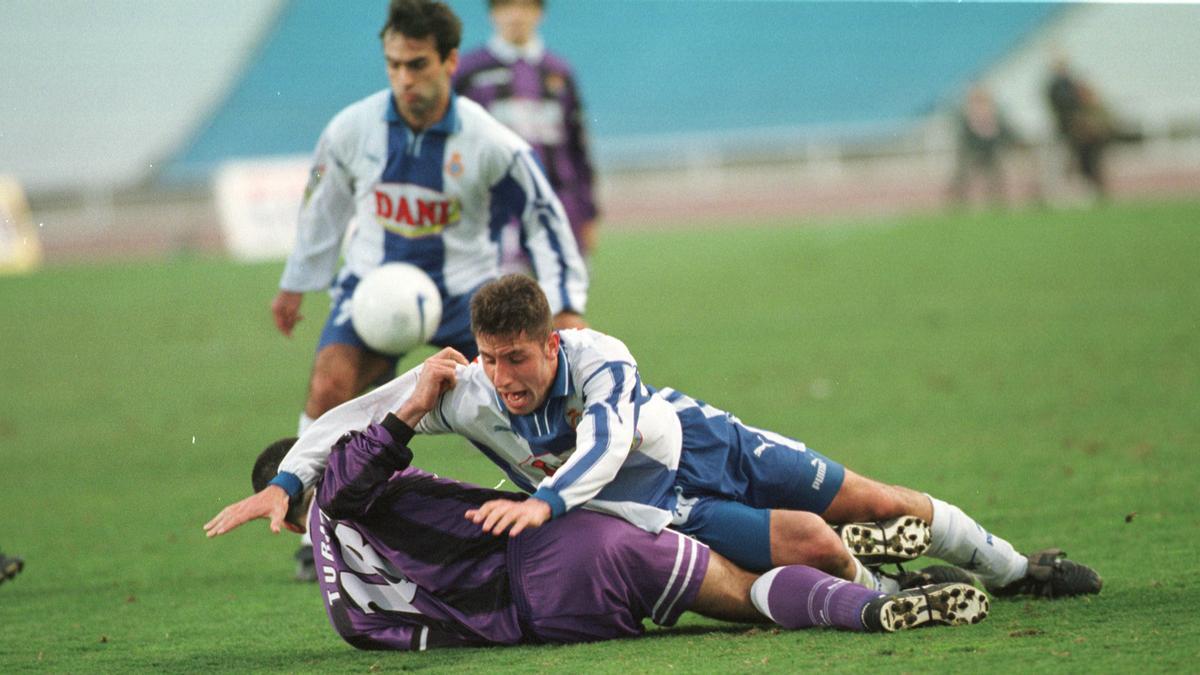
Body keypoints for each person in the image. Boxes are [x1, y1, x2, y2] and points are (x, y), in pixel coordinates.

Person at [217, 275, 1102, 599]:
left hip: (707, 444)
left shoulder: (601, 356)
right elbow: (350, 419)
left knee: (869, 495)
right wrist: (287, 485)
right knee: (815, 546)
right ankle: (891, 583)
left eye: (518, 356)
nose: (505, 375)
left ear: (551, 342)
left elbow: (602, 442)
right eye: (491, 358)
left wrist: (547, 501)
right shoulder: (466, 389)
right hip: (660, 509)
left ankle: (1020, 570)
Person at [272, 0, 588, 579]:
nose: (403, 79)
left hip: (462, 297)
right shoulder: (352, 129)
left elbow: (545, 215)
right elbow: (323, 206)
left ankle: (569, 498)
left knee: (512, 399)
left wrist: (567, 302)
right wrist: (297, 283)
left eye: (416, 65)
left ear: (448, 62)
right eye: (393, 65)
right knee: (330, 387)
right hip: (371, 289)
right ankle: (314, 528)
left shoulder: (491, 142)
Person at [205, 432, 988, 650]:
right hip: (558, 548)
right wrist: (406, 412)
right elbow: (349, 481)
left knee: (748, 608)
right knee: (748, 580)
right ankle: (873, 595)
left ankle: (870, 598)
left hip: (542, 622)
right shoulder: (355, 480)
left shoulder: (345, 614)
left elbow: (418, 633)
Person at [453, 0, 600, 268]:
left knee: (563, 303)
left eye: (525, 6)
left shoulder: (560, 72)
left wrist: (588, 213)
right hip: (494, 211)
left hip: (559, 205)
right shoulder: (468, 72)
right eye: (507, 6)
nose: (516, 15)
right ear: (493, 13)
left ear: (539, 13)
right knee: (503, 303)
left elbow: (578, 148)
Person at [947, 85, 1017, 207]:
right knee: (963, 178)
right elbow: (964, 134)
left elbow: (1004, 131)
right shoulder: (966, 115)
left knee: (995, 177)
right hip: (972, 150)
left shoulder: (994, 114)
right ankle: (958, 202)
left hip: (990, 150)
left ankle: (997, 202)